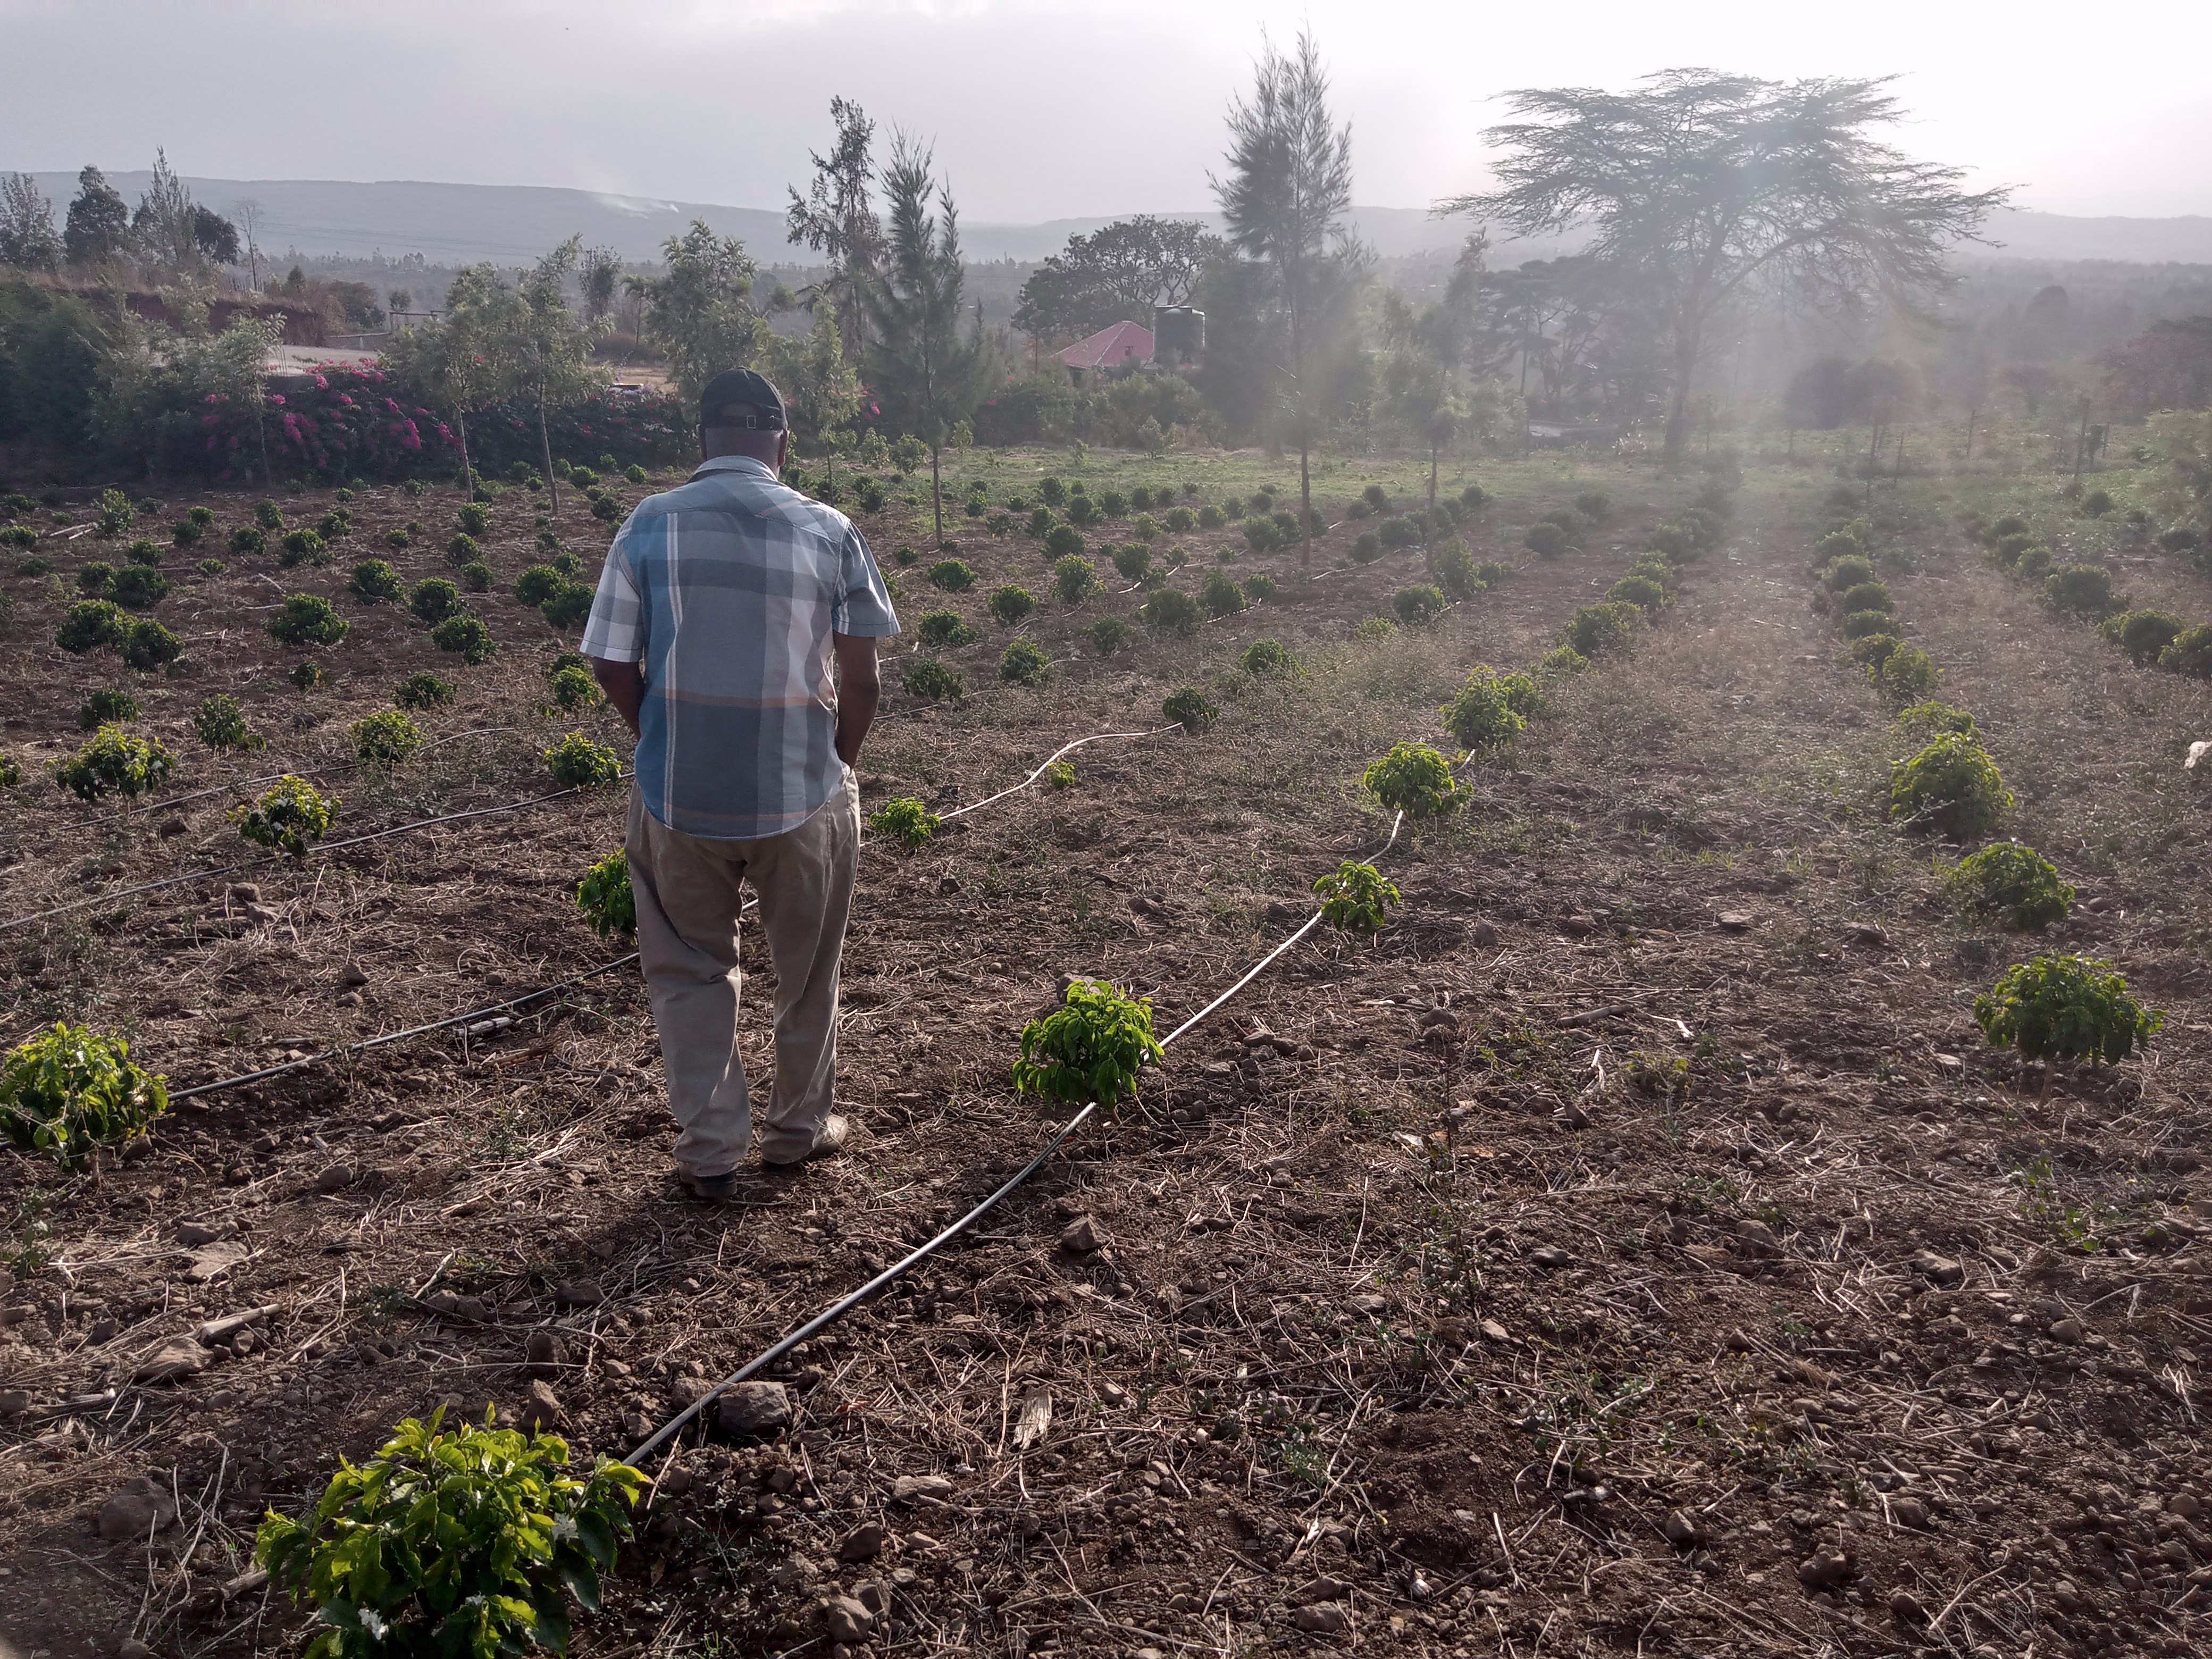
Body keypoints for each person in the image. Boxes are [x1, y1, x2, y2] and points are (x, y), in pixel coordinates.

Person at [582, 368, 899, 1199]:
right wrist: (839, 764)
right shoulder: (831, 531)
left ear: (701, 444)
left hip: (677, 793)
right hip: (803, 788)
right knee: (808, 970)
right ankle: (798, 1132)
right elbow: (862, 681)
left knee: (688, 970)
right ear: (782, 445)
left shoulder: (648, 525)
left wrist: (659, 736)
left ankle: (711, 1150)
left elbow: (610, 659)